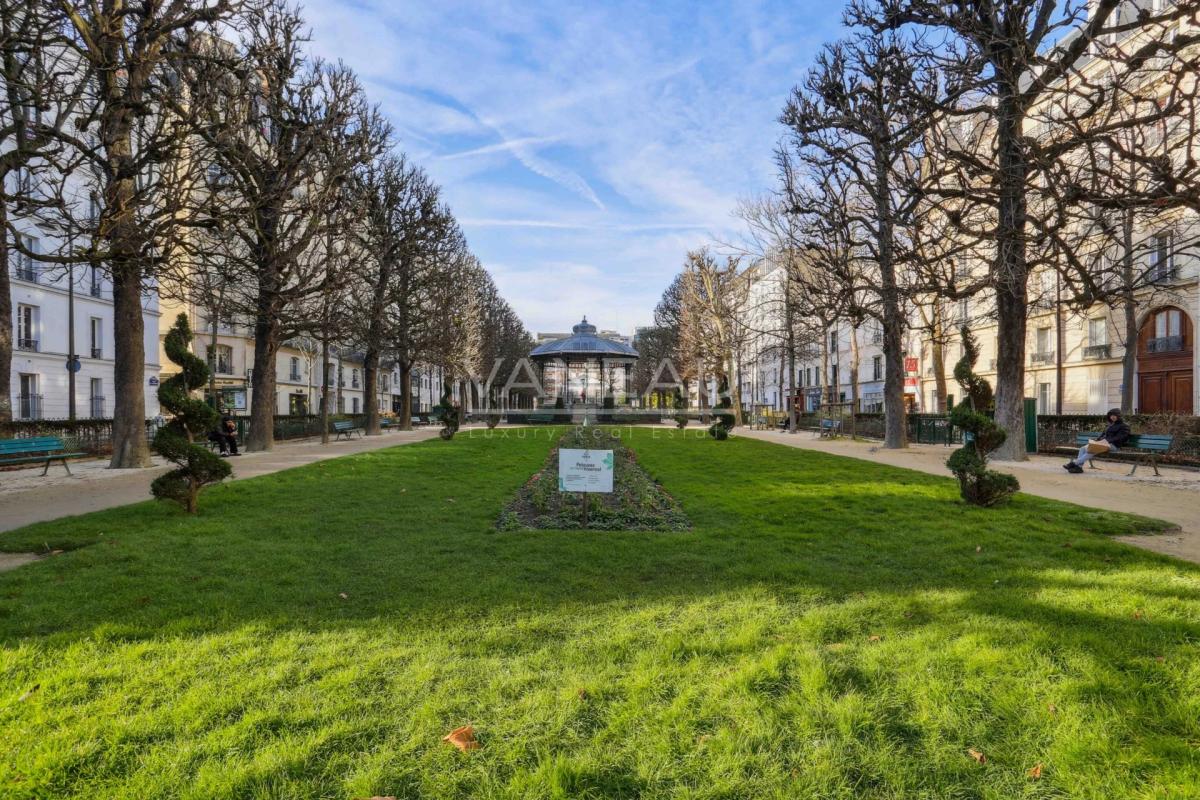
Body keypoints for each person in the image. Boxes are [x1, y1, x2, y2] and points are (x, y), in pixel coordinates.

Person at [1064, 408, 1129, 474]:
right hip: (1102, 444)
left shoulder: (1124, 426)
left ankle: (1074, 463)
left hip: (1114, 446)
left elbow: (1120, 437)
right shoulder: (1111, 425)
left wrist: (1106, 441)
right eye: (1111, 415)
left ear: (1118, 415)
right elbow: (1103, 434)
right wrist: (1097, 440)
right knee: (1082, 449)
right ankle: (1079, 467)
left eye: (1114, 415)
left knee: (1092, 450)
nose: (1112, 417)